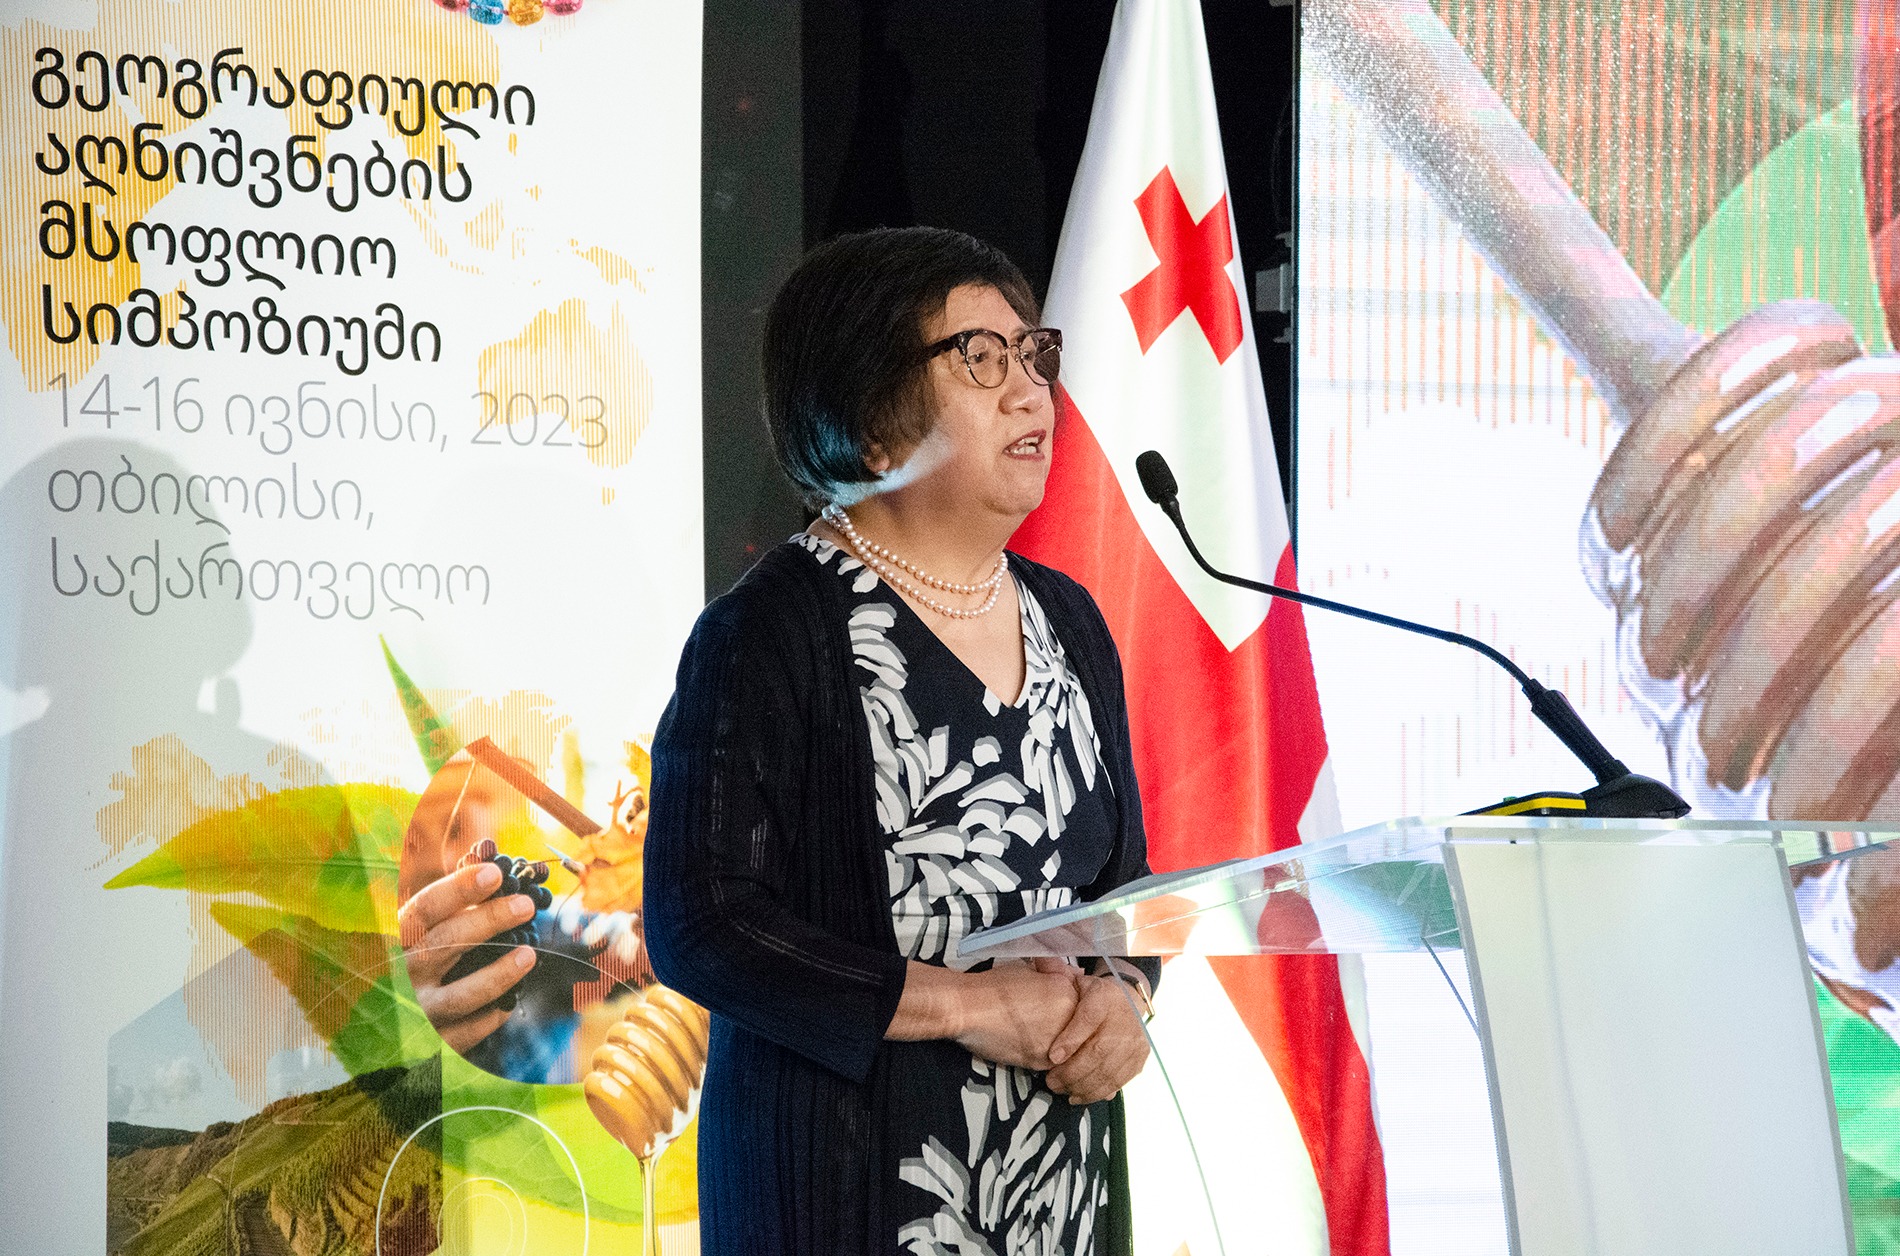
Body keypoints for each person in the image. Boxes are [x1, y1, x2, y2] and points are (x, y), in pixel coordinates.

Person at [644, 226, 1161, 1255]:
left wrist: (1125, 998)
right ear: (868, 422)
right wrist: (966, 1007)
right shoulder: (772, 632)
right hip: (846, 1198)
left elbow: (1124, 889)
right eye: (981, 358)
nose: (1031, 393)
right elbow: (704, 923)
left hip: (1057, 1196)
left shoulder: (1069, 620)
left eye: (1033, 354)